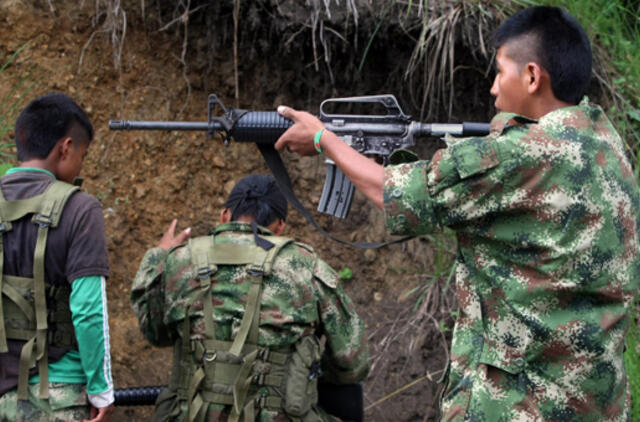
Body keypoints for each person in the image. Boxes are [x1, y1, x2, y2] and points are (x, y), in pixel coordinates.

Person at [274, 6, 640, 421]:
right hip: (598, 401)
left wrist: (324, 139)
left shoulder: (516, 158)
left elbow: (396, 193)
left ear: (533, 77)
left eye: (501, 72)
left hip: (521, 406)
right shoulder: (606, 144)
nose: (492, 89)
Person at [131, 174, 369, 422]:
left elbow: (154, 333)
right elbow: (352, 362)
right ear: (279, 227)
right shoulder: (305, 266)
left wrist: (157, 256)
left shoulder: (178, 261)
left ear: (225, 216)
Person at [0, 93, 114, 421]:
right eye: (82, 154)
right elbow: (89, 309)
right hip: (59, 395)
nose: (80, 164)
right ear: (65, 147)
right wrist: (101, 389)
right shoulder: (80, 208)